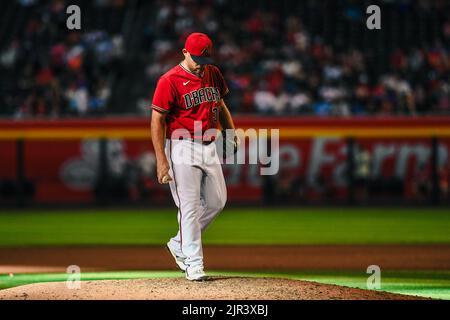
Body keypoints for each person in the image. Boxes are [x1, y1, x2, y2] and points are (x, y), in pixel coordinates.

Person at [150, 33, 237, 281]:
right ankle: (194, 263)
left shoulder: (212, 73)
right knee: (188, 207)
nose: (200, 63)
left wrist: (230, 132)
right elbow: (157, 120)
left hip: (209, 144)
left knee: (217, 201)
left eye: (204, 58)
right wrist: (161, 160)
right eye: (196, 58)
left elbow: (219, 105)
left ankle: (179, 243)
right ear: (184, 52)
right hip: (181, 146)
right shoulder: (169, 80)